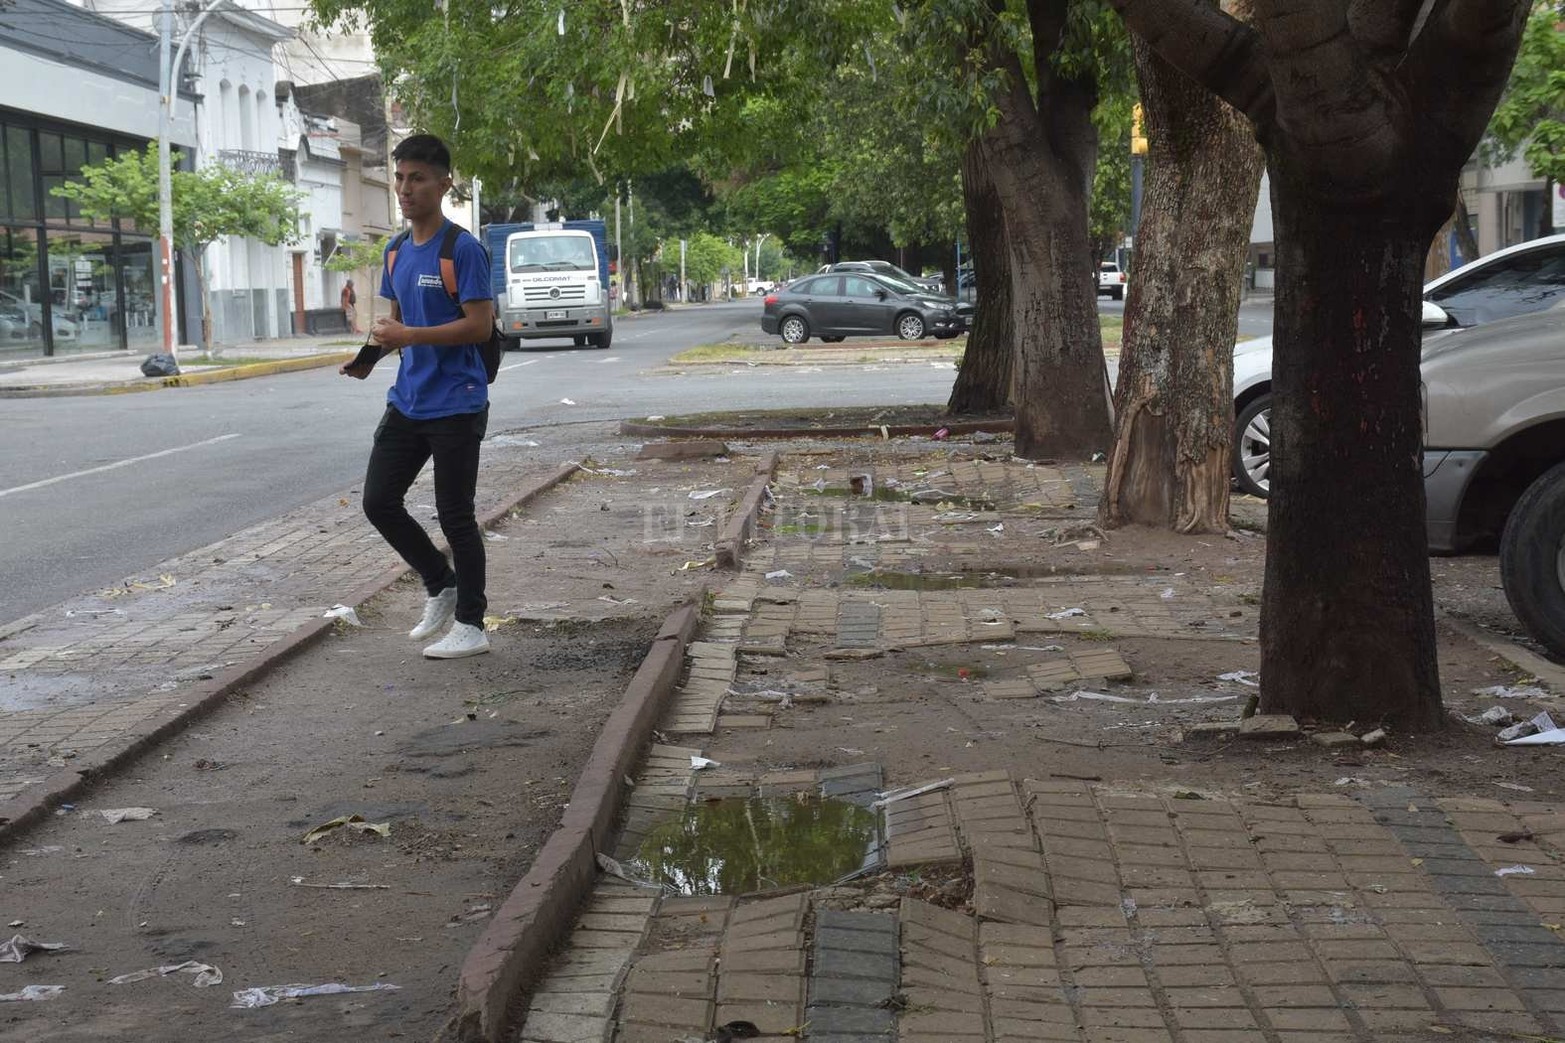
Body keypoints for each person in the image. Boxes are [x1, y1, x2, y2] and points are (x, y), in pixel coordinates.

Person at [339, 134, 495, 659]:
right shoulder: (395, 250)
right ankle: (440, 582)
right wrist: (369, 359)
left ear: (444, 183)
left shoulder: (462, 249)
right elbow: (398, 324)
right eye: (400, 177)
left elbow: (478, 326)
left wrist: (409, 339)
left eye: (417, 178)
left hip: (458, 399)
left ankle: (472, 624)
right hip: (409, 399)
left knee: (456, 515)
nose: (405, 189)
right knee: (378, 501)